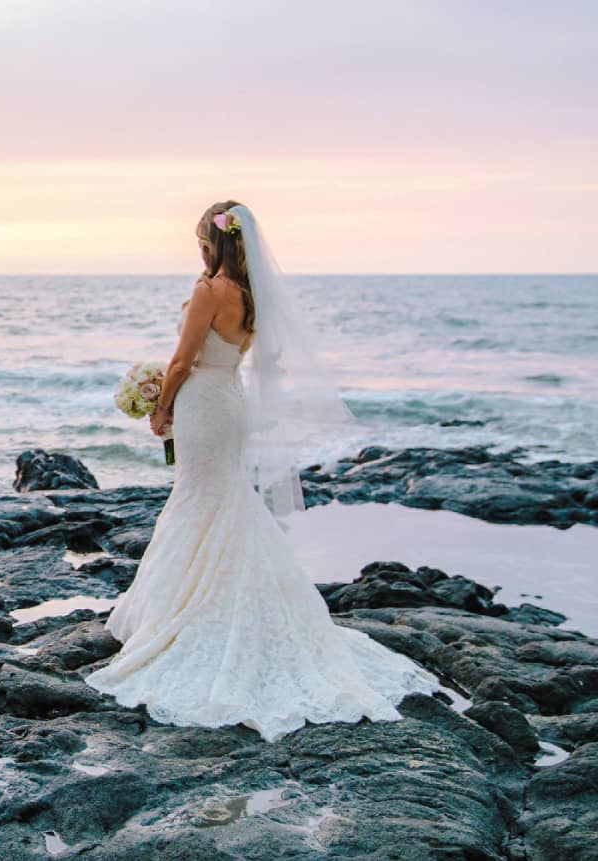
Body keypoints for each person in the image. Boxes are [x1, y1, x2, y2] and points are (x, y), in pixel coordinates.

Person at [83, 201, 441, 742]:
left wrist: (161, 406)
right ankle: (216, 601)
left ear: (210, 238)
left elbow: (181, 363)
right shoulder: (253, 296)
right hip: (230, 401)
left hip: (204, 401)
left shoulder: (208, 291)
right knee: (222, 498)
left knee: (199, 498)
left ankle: (190, 613)